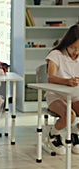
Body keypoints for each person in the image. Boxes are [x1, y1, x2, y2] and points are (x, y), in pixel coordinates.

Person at [45, 24, 79, 155]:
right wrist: (67, 81)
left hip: (75, 95)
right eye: (73, 48)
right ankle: (53, 134)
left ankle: (75, 132)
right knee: (70, 115)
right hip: (56, 96)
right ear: (67, 42)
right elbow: (51, 77)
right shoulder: (56, 55)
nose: (76, 52)